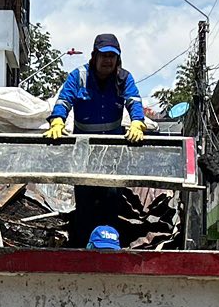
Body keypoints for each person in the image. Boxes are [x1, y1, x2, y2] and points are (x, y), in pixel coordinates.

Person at [48, 35, 147, 246]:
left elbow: (134, 101)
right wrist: (57, 120)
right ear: (94, 56)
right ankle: (82, 248)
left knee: (111, 200)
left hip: (112, 153)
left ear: (118, 59)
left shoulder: (124, 78)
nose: (107, 60)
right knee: (84, 201)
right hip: (84, 152)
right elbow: (64, 100)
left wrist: (138, 122)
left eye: (112, 56)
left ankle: (109, 248)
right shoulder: (79, 76)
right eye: (103, 55)